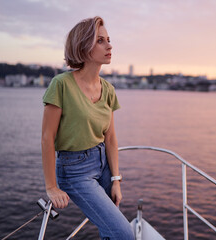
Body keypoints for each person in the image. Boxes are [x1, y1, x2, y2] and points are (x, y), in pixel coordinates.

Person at [41, 16, 134, 239]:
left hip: (103, 164)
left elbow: (111, 139)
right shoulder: (61, 84)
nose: (109, 45)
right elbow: (47, 137)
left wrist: (115, 180)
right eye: (100, 40)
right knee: (124, 233)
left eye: (109, 40)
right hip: (75, 171)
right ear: (83, 45)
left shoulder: (109, 89)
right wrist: (51, 187)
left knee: (111, 229)